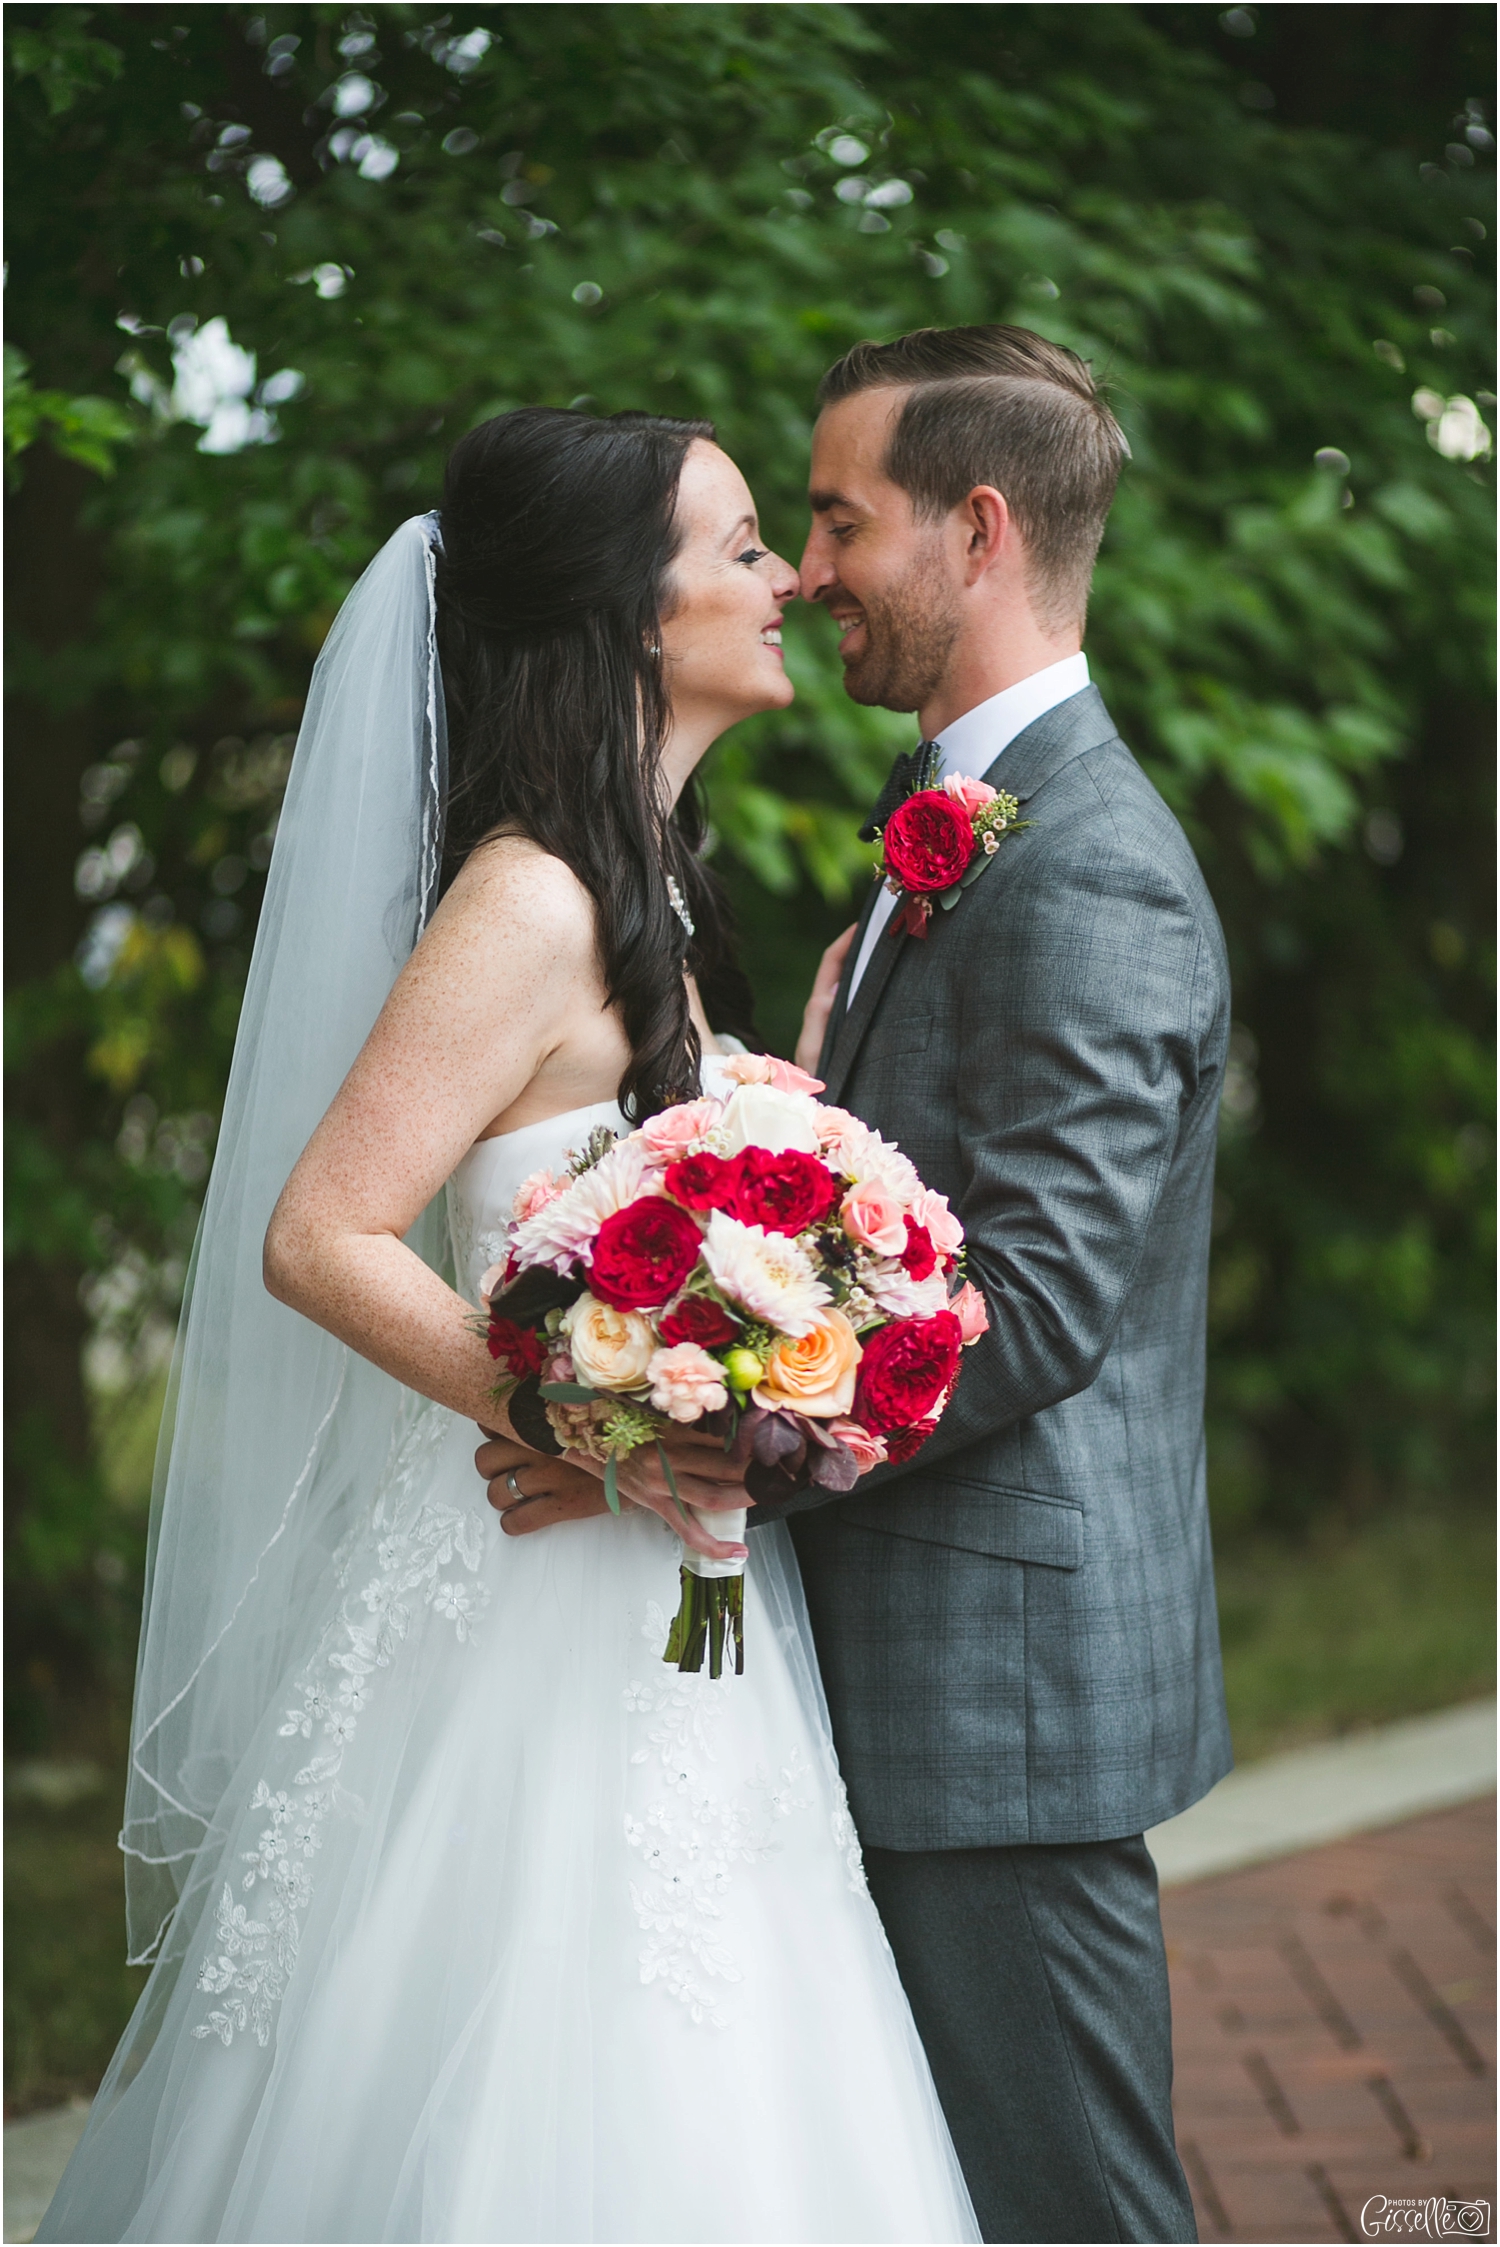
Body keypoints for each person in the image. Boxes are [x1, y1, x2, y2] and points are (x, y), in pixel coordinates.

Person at [38, 409, 977, 2245]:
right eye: (735, 547)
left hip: (654, 1589)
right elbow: (320, 1233)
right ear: (632, 612)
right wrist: (581, 1424)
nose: (784, 577)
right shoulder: (530, 896)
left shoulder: (639, 885)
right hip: (530, 1598)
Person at [484, 327, 1233, 2245]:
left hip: (1000, 1699)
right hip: (907, 1664)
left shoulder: (1091, 869)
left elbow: (1037, 1302)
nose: (806, 573)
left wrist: (692, 1449)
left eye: (837, 521)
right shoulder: (959, 831)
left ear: (976, 532)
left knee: (1075, 2208)